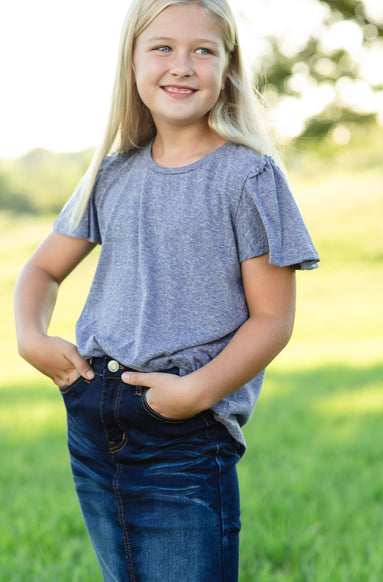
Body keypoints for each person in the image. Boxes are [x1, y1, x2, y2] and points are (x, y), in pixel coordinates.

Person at [14, 0, 319, 580]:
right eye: (162, 48)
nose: (182, 65)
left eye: (203, 50)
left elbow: (272, 318)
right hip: (93, 415)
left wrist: (193, 393)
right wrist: (31, 336)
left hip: (184, 428)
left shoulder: (248, 175)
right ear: (131, 63)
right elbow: (41, 272)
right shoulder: (112, 173)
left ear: (228, 69)